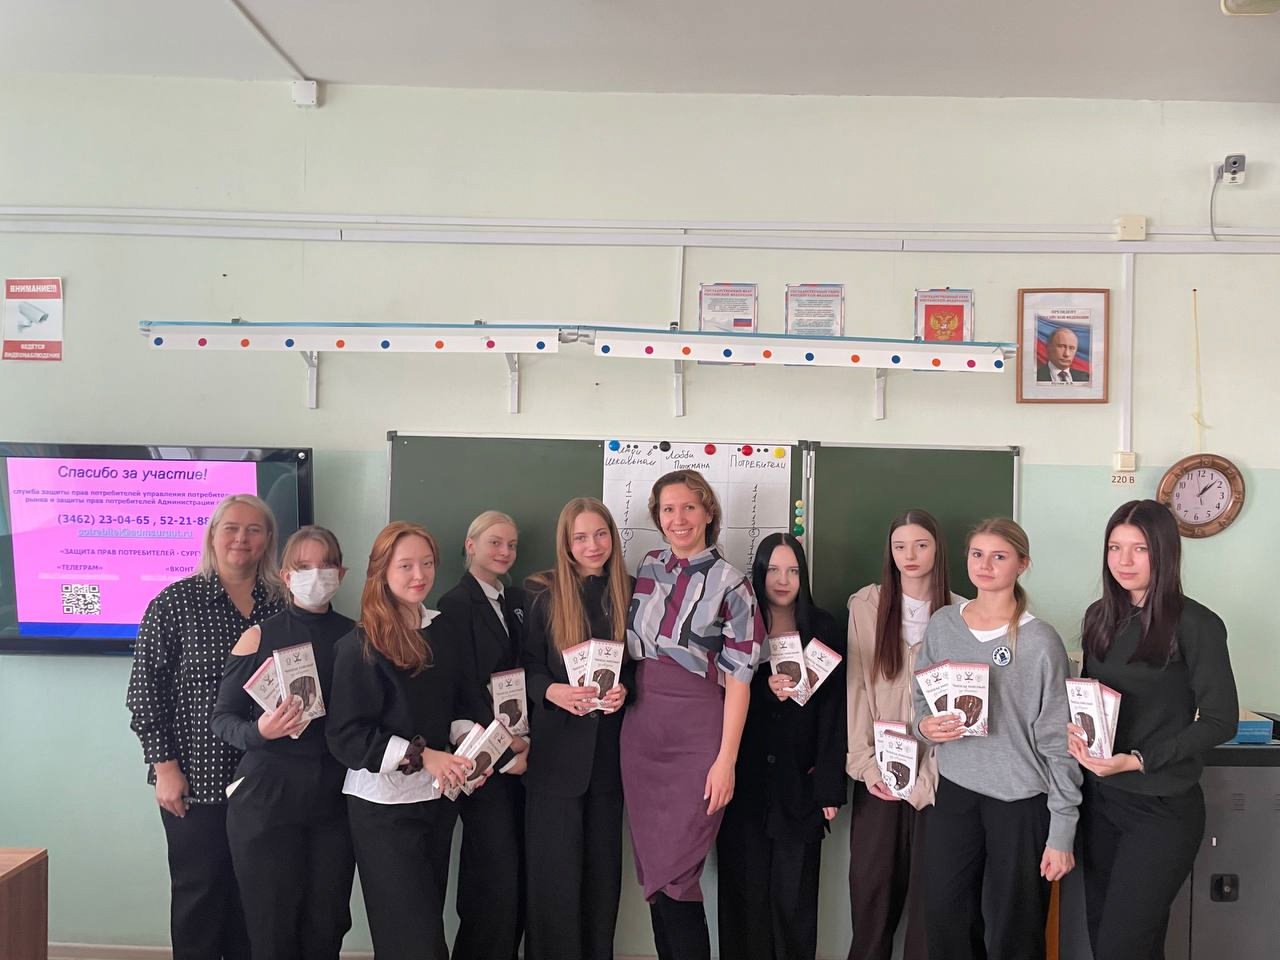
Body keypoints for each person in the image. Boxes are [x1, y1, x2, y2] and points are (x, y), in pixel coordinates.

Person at [1071, 500, 1238, 960]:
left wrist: (1141, 760)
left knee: (1121, 947)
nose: (1124, 561)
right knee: (1113, 940)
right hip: (1102, 801)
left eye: (1139, 549)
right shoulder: (1099, 616)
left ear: (1164, 552)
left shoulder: (1197, 624)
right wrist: (1077, 732)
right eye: (1114, 547)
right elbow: (1090, 697)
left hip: (1161, 809)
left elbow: (1221, 720)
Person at [126, 494, 286, 960]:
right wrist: (165, 769)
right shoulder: (174, 603)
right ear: (212, 536)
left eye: (254, 529)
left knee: (255, 900)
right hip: (197, 780)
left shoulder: (283, 605)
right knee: (199, 896)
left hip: (268, 781)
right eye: (230, 528)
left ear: (268, 540)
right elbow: (145, 694)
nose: (241, 538)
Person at [913, 517, 1080, 960]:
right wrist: (925, 727)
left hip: (1020, 802)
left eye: (999, 556)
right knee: (945, 916)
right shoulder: (944, 624)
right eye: (977, 554)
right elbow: (921, 699)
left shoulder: (1040, 641)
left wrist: (1062, 830)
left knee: (1015, 928)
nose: (985, 566)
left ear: (1022, 564)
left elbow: (1059, 742)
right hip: (956, 792)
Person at [326, 521, 490, 960]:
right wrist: (424, 755)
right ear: (381, 571)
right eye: (406, 566)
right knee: (411, 941)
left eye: (427, 563)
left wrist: (471, 749)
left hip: (436, 801)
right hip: (383, 810)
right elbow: (347, 736)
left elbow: (459, 702)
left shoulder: (442, 631)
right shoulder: (360, 645)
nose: (420, 575)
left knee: (424, 927)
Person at [621, 468, 765, 960]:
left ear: (708, 513)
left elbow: (741, 678)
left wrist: (726, 760)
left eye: (688, 507)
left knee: (679, 873)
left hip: (698, 735)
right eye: (668, 509)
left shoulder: (733, 583)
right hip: (641, 733)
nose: (678, 518)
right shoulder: (647, 566)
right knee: (655, 875)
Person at [210, 525, 355, 960]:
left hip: (333, 799)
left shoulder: (358, 637)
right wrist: (260, 731)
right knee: (271, 926)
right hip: (266, 798)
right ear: (286, 575)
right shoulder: (258, 636)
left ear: (341, 573)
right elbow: (222, 718)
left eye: (325, 565)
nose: (316, 574)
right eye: (304, 566)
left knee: (327, 923)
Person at [716, 532, 845, 960]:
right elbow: (718, 695)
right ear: (759, 573)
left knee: (795, 898)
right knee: (744, 894)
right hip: (744, 781)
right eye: (773, 569)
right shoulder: (738, 623)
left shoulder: (823, 628)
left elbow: (835, 712)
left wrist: (828, 788)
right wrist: (762, 688)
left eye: (792, 570)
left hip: (800, 783)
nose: (783, 579)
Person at [522, 497, 634, 960]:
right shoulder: (542, 594)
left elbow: (642, 668)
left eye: (600, 534)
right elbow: (524, 668)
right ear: (566, 544)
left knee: (602, 882)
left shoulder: (630, 592)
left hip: (609, 762)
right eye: (581, 537)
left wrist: (625, 690)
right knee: (554, 882)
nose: (593, 545)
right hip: (554, 762)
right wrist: (553, 692)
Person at [845, 510, 959, 960]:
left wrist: (928, 780)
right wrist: (868, 766)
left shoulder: (962, 613)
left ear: (938, 549)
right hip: (880, 777)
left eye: (921, 544)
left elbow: (965, 707)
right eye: (900, 546)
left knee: (933, 904)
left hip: (941, 781)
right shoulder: (865, 606)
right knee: (871, 895)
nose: (910, 555)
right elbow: (857, 690)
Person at [437, 510, 530, 960]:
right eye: (495, 542)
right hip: (483, 759)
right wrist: (505, 751)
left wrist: (524, 744)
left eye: (511, 545)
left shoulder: (517, 600)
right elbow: (461, 687)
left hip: (523, 754)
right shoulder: (454, 605)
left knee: (514, 877)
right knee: (490, 876)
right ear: (470, 545)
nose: (505, 552)